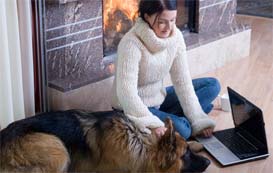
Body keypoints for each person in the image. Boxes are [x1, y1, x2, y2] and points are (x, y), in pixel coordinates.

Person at [111, 0, 221, 140]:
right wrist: (153, 124)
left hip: (158, 100)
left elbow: (183, 82)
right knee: (185, 130)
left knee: (212, 85)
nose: (169, 28)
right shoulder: (131, 44)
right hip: (130, 108)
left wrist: (199, 120)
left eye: (173, 20)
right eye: (162, 22)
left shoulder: (176, 37)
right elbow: (126, 94)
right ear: (147, 17)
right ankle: (178, 121)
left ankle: (180, 118)